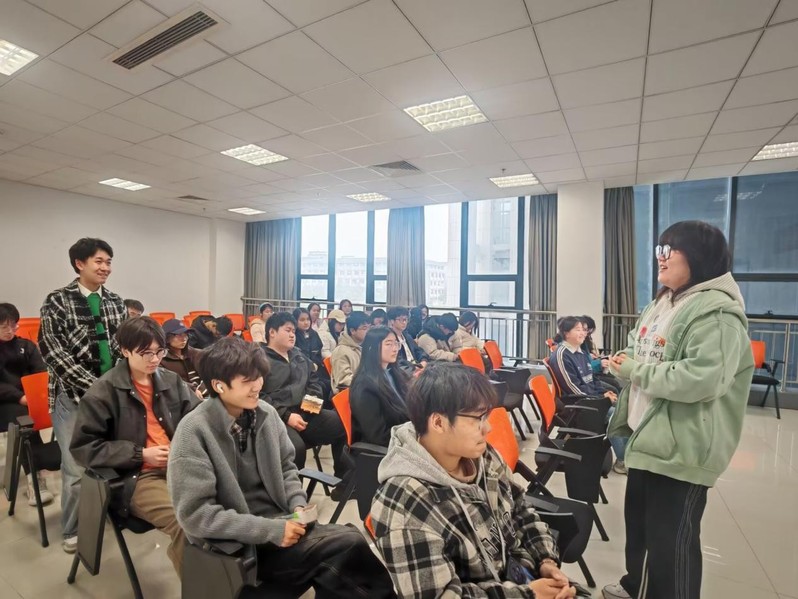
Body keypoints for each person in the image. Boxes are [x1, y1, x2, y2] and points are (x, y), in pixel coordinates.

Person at [167, 337, 396, 598]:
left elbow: (287, 467)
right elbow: (196, 515)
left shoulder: (264, 414)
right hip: (239, 544)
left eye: (259, 377)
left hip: (281, 525)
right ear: (219, 385)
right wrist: (271, 530)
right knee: (347, 544)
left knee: (344, 556)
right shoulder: (193, 432)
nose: (257, 386)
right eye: (247, 380)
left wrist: (297, 504)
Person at [602, 221, 754, 599]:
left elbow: (702, 379)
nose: (661, 258)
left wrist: (634, 370)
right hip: (647, 438)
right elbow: (638, 346)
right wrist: (626, 360)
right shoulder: (663, 303)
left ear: (699, 257)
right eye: (659, 250)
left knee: (670, 546)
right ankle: (637, 586)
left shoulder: (717, 313)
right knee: (641, 531)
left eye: (670, 250)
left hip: (680, 446)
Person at [371, 362, 575, 598]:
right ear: (438, 422)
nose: (488, 428)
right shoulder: (404, 505)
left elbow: (520, 507)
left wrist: (545, 560)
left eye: (486, 416)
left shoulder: (481, 455)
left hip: (523, 575)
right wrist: (527, 595)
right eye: (477, 418)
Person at [70, 316, 196, 575]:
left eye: (160, 352)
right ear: (125, 351)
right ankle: (200, 587)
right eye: (146, 353)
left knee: (227, 503)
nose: (155, 359)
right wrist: (141, 454)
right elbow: (84, 448)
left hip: (178, 466)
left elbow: (196, 419)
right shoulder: (103, 392)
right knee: (187, 521)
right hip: (137, 477)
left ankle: (224, 579)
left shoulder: (171, 381)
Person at [39, 237, 127, 553]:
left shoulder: (116, 302)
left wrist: (116, 384)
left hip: (110, 395)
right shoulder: (57, 301)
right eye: (99, 261)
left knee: (112, 456)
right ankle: (73, 528)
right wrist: (95, 387)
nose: (105, 268)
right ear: (80, 263)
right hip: (72, 397)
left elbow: (123, 348)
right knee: (76, 467)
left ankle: (109, 510)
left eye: (108, 262)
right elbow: (53, 351)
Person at [259, 313, 350, 489]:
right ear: (272, 332)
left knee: (342, 425)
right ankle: (294, 496)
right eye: (288, 330)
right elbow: (259, 396)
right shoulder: (259, 359)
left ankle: (342, 483)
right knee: (295, 448)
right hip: (277, 418)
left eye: (294, 331)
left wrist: (310, 405)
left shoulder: (298, 355)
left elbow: (314, 382)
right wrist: (287, 416)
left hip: (305, 410)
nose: (292, 335)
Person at [548, 317, 626, 472]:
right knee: (615, 415)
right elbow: (573, 388)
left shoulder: (581, 352)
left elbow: (592, 379)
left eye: (583, 330)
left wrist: (604, 392)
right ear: (566, 333)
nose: (583, 333)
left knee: (623, 408)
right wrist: (601, 399)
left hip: (590, 399)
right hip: (577, 405)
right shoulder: (562, 355)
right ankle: (622, 462)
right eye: (578, 330)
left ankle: (626, 456)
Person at [0, 302, 53, 505]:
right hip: (6, 402)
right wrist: (18, 396)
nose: (10, 330)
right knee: (24, 420)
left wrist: (34, 395)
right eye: (4, 326)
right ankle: (35, 478)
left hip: (29, 399)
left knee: (31, 415)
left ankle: (38, 468)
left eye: (13, 325)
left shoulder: (26, 346)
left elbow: (40, 373)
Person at [349, 327, 410, 446]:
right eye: (388, 344)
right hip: (389, 445)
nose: (395, 349)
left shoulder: (393, 373)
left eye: (396, 343)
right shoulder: (365, 386)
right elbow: (378, 436)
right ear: (372, 348)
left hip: (403, 432)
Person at [159, 318, 205, 398]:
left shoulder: (196, 353)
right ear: (167, 338)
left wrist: (201, 391)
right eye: (179, 335)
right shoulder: (161, 359)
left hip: (204, 396)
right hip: (179, 398)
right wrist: (192, 390)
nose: (184, 339)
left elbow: (210, 375)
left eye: (186, 334)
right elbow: (168, 381)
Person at [292, 307, 330, 400]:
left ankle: (320, 407)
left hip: (316, 370)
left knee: (328, 385)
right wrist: (310, 366)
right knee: (317, 388)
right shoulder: (293, 336)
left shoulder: (314, 334)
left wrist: (316, 364)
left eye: (308, 319)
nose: (306, 322)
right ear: (295, 321)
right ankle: (310, 407)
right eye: (302, 320)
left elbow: (318, 354)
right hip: (301, 372)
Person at [578, 315, 621, 394]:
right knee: (613, 389)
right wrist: (599, 363)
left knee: (614, 382)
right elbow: (580, 370)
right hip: (586, 381)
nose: (586, 333)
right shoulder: (570, 349)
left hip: (589, 377)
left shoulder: (582, 343)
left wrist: (593, 358)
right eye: (585, 330)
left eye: (587, 330)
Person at [330, 311, 369, 394]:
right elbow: (344, 380)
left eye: (369, 328)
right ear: (352, 331)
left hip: (362, 392)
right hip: (349, 395)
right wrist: (369, 383)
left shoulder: (361, 347)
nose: (368, 332)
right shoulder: (341, 351)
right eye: (364, 328)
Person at [386, 306, 428, 372]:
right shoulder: (389, 339)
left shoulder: (407, 336)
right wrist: (414, 368)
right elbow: (397, 362)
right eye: (400, 320)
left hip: (416, 367)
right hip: (404, 371)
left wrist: (423, 360)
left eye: (406, 319)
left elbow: (419, 351)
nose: (404, 322)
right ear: (392, 321)